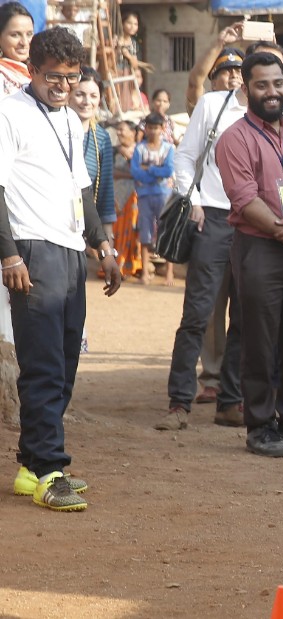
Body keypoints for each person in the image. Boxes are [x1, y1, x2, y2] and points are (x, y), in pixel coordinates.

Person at [0, 26, 121, 511]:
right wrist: (9, 254)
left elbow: (81, 192)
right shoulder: (9, 113)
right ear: (32, 71)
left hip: (71, 251)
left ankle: (31, 465)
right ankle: (52, 470)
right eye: (53, 77)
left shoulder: (72, 120)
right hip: (32, 249)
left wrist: (105, 246)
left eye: (71, 78)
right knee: (44, 364)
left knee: (67, 358)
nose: (63, 87)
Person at [213, 52, 283, 457]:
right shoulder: (234, 139)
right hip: (259, 249)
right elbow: (244, 201)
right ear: (246, 90)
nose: (273, 92)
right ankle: (260, 425)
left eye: (278, 83)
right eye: (262, 85)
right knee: (259, 341)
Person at [156, 62, 249, 431]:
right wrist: (191, 197)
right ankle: (179, 403)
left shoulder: (279, 110)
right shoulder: (214, 105)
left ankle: (231, 402)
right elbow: (184, 156)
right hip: (210, 218)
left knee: (245, 318)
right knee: (197, 315)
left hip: (256, 225)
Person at [131, 112, 174, 286]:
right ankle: (144, 273)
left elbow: (169, 171)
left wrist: (148, 169)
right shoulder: (139, 148)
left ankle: (169, 274)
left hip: (164, 194)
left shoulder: (169, 148)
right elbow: (135, 172)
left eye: (156, 128)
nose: (153, 131)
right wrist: (157, 170)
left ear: (162, 129)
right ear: (146, 128)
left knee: (166, 231)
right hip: (145, 195)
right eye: (150, 127)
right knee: (145, 232)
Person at [71, 68, 114, 233]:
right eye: (80, 94)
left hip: (87, 226)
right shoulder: (54, 131)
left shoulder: (102, 138)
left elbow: (105, 188)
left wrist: (106, 232)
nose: (86, 101)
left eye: (93, 96)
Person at [186, 22, 245, 113]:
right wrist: (220, 43)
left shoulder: (252, 107)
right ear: (214, 83)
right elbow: (194, 83)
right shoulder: (206, 105)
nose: (234, 75)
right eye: (227, 71)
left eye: (238, 71)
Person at [111, 119, 142, 279]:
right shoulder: (113, 151)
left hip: (135, 197)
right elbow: (110, 172)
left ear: (133, 132)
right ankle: (116, 265)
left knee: (133, 228)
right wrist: (132, 174)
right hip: (117, 196)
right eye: (118, 130)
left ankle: (130, 265)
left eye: (122, 129)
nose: (119, 133)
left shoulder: (141, 150)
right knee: (116, 230)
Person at [0, 1, 33, 97]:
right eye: (15, 35)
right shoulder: (2, 74)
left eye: (29, 34)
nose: (24, 42)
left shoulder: (36, 69)